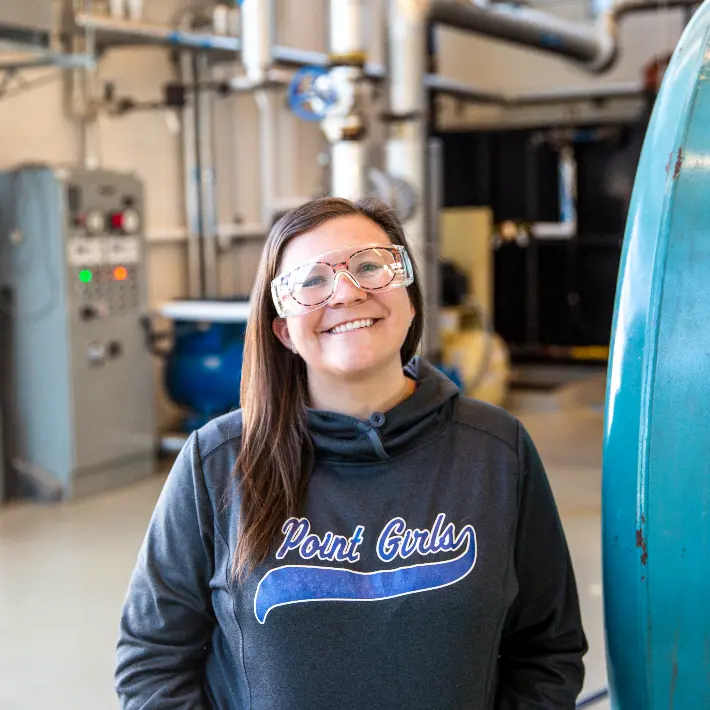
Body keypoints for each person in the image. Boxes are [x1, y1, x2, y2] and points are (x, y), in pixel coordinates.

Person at [115, 196, 588, 709]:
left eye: (369, 266)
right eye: (311, 281)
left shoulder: (498, 450)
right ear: (283, 331)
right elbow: (152, 659)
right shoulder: (218, 461)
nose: (346, 291)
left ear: (409, 300)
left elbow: (546, 650)